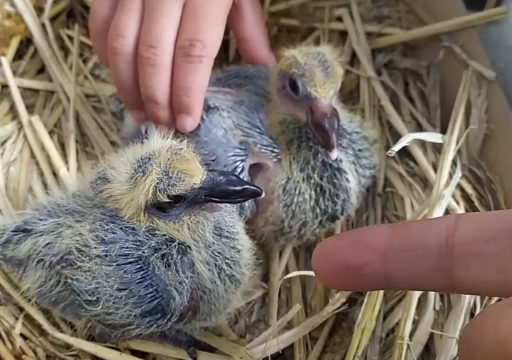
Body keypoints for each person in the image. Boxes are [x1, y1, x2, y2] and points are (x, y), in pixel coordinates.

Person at [88, 2, 512, 359]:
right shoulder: (245, 175)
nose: (326, 117)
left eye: (328, 99)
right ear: (282, 85)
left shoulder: (336, 134)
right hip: (182, 125)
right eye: (298, 90)